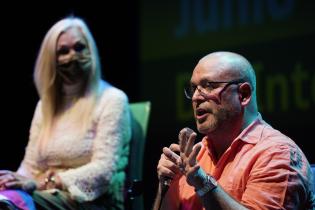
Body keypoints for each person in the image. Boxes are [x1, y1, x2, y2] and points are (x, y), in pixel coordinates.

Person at [153, 51, 315, 210]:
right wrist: (167, 184)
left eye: (208, 86)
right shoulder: (196, 155)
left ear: (243, 94)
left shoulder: (277, 154)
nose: (196, 97)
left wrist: (204, 184)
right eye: (194, 88)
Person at [0, 16, 131, 210]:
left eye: (79, 48)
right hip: (47, 195)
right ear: (51, 60)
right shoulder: (45, 106)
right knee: (6, 196)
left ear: (90, 51)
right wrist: (12, 181)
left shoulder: (112, 99)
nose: (73, 55)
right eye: (63, 51)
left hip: (92, 201)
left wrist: (45, 182)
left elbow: (104, 171)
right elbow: (30, 167)